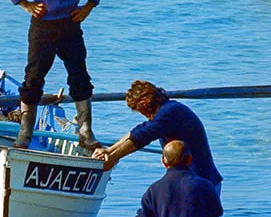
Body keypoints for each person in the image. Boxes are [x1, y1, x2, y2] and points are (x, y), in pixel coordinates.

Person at [0, 0, 108, 150]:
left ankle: (86, 132)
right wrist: (24, 3)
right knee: (33, 79)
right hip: (43, 27)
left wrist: (89, 6)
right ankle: (25, 133)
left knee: (80, 77)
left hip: (70, 25)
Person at [92, 80, 223, 197]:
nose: (143, 116)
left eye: (140, 111)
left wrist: (115, 157)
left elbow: (142, 137)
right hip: (191, 181)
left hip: (202, 183)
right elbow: (138, 131)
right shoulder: (168, 110)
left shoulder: (170, 113)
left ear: (145, 104)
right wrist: (110, 151)